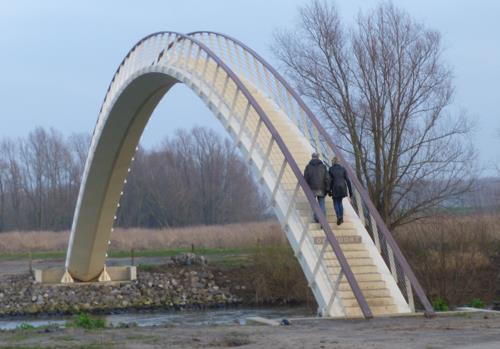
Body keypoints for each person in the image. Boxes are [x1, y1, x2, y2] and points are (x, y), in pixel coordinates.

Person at [304, 152, 330, 223]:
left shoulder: (308, 167)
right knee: (322, 204)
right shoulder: (323, 166)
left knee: (314, 204)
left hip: (312, 188)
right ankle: (323, 220)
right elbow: (327, 178)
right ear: (318, 157)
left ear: (312, 157)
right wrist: (328, 188)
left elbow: (305, 178)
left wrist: (306, 188)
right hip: (322, 188)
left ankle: (317, 217)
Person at [328, 157, 352, 225]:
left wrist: (329, 190)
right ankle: (341, 217)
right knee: (340, 202)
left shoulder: (331, 169)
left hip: (335, 187)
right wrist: (350, 192)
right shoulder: (343, 169)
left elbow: (329, 181)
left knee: (336, 203)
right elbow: (347, 180)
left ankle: (339, 217)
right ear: (339, 162)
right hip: (342, 188)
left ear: (333, 162)